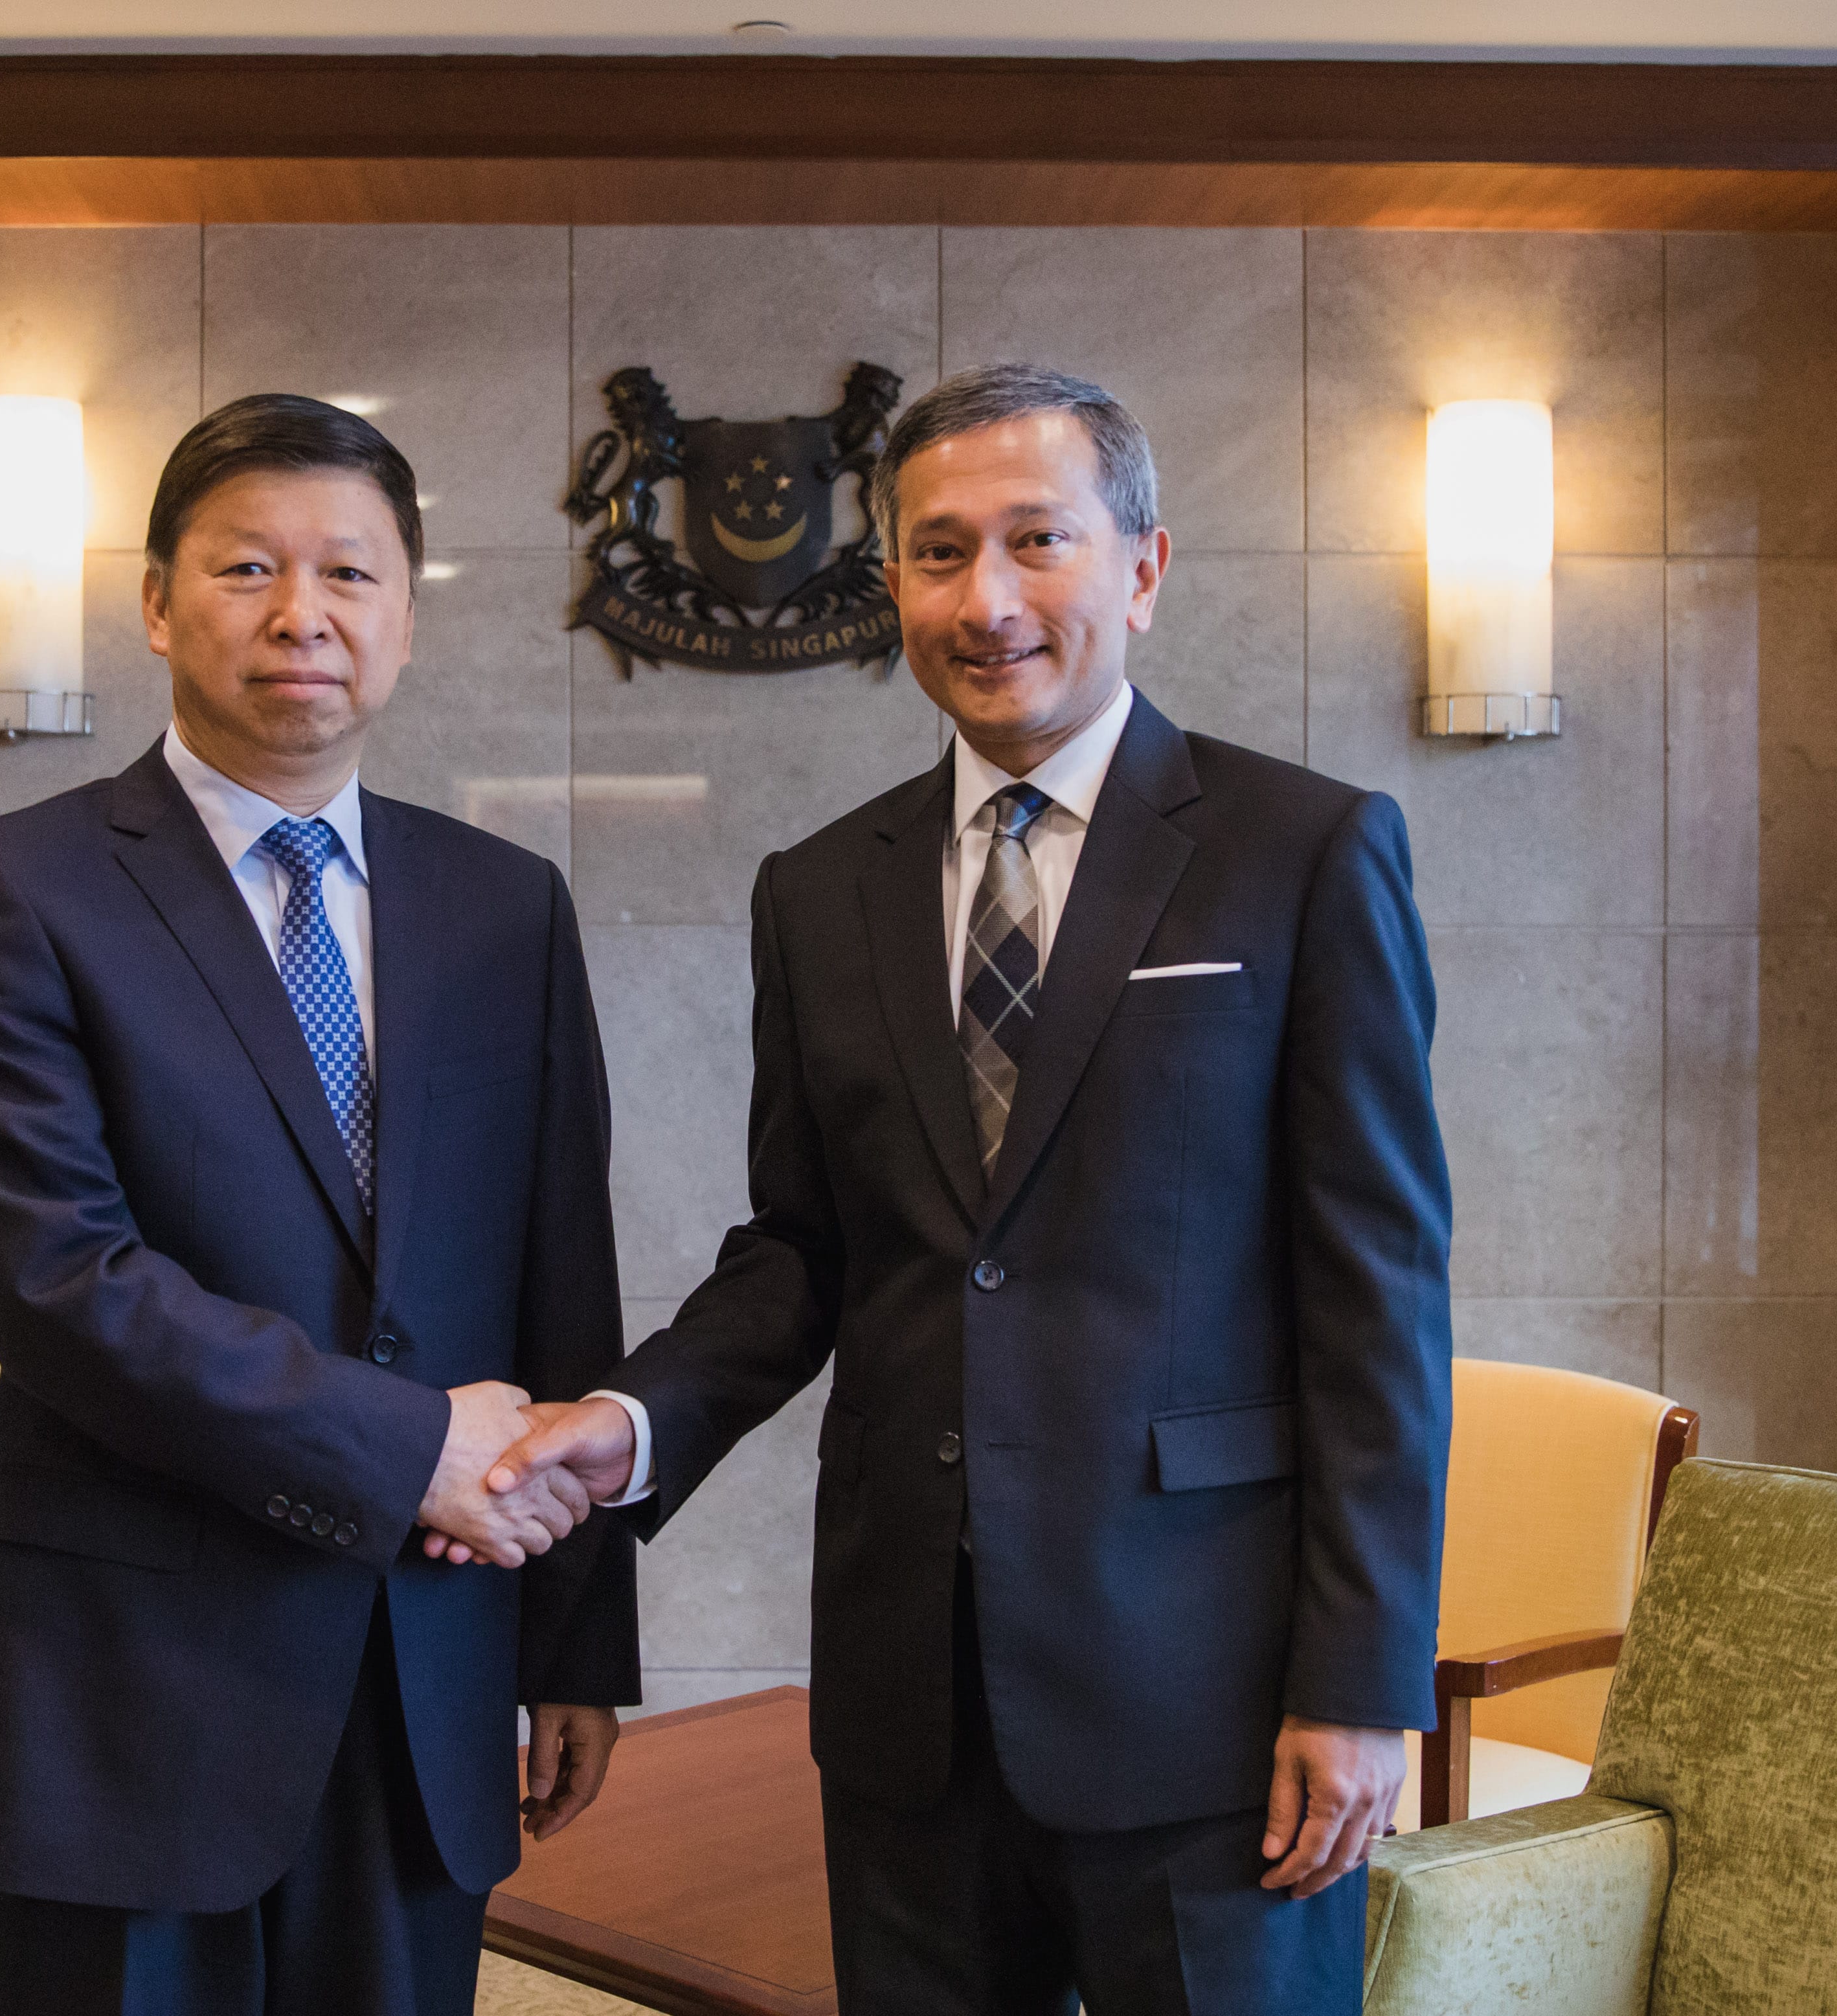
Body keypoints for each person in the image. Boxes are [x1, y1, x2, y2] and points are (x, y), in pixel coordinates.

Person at [486, 364, 1453, 2015]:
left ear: (1141, 568)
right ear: (894, 584)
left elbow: (1378, 1299)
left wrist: (1360, 1682)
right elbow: (803, 1250)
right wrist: (632, 1423)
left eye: (1036, 541)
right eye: (939, 553)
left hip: (1206, 1697)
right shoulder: (818, 890)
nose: (986, 599)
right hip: (907, 1703)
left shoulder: (1303, 853)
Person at [0, 394, 637, 2016]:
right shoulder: (10, 894)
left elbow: (559, 1284)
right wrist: (409, 1447)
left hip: (429, 1674)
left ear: (407, 619)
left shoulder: (503, 907)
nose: (302, 614)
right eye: (246, 569)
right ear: (158, 604)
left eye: (350, 574)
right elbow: (65, 1284)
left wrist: (574, 1645)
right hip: (127, 1694)